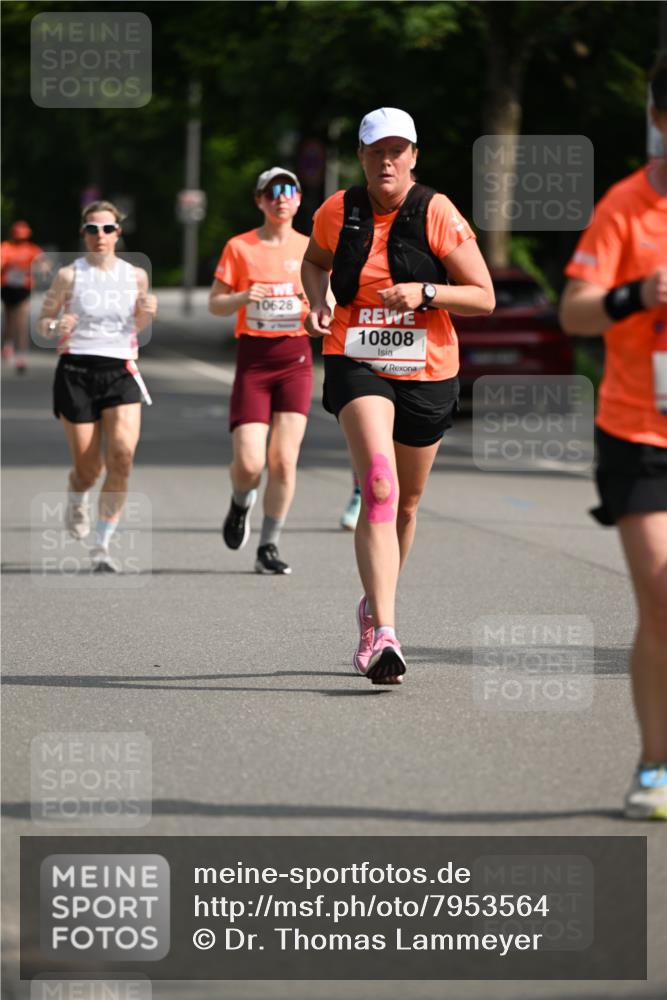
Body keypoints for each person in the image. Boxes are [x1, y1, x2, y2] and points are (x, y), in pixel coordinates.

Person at [301, 108, 494, 684]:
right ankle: (384, 631)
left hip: (429, 368)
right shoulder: (338, 210)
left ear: (414, 155)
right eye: (375, 151)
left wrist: (426, 291)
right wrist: (318, 303)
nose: (386, 161)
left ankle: (371, 603)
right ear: (360, 157)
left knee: (406, 504)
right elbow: (314, 263)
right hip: (355, 356)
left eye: (397, 150)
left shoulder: (437, 211)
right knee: (379, 484)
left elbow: (482, 297)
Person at [559, 52, 667, 820]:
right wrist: (635, 293)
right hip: (638, 428)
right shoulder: (626, 206)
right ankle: (656, 764)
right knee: (662, 597)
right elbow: (574, 311)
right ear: (660, 119)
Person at [37, 200, 157, 572]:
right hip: (75, 372)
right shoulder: (69, 276)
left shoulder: (135, 275)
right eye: (92, 229)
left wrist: (146, 313)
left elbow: (136, 327)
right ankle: (77, 496)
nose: (100, 236)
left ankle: (102, 545)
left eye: (107, 229)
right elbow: (42, 323)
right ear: (83, 233)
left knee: (121, 454)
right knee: (89, 468)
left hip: (120, 370)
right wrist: (58, 326)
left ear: (119, 233)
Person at [209, 167, 312, 575]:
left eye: (289, 190)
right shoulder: (240, 247)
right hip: (253, 361)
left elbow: (334, 304)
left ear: (299, 199)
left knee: (284, 461)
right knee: (251, 464)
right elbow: (214, 304)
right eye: (272, 193)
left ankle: (268, 545)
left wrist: (317, 304)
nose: (281, 198)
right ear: (260, 201)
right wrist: (240, 296)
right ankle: (240, 503)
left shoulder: (312, 248)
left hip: (296, 361)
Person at [1, 220, 43, 373]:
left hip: (23, 288)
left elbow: (42, 264)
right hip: (7, 287)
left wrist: (36, 268)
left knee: (22, 321)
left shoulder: (32, 249)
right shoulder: (6, 247)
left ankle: (20, 356)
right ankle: (7, 344)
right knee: (9, 319)